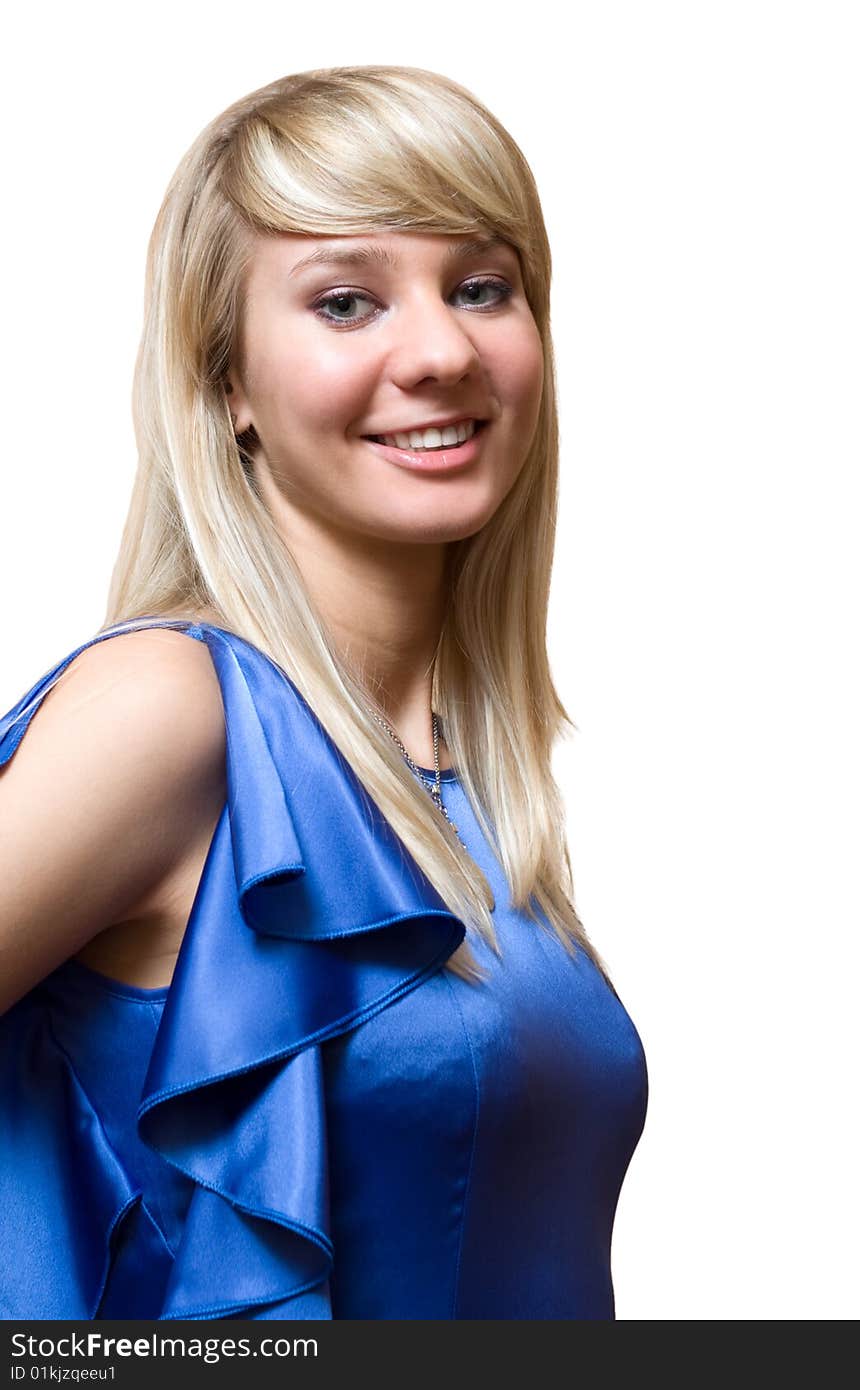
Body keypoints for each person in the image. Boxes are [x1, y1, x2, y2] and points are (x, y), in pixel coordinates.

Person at [0, 65, 648, 1321]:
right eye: (348, 302)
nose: (444, 349)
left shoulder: (478, 781)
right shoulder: (173, 708)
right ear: (228, 385)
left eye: (481, 287)